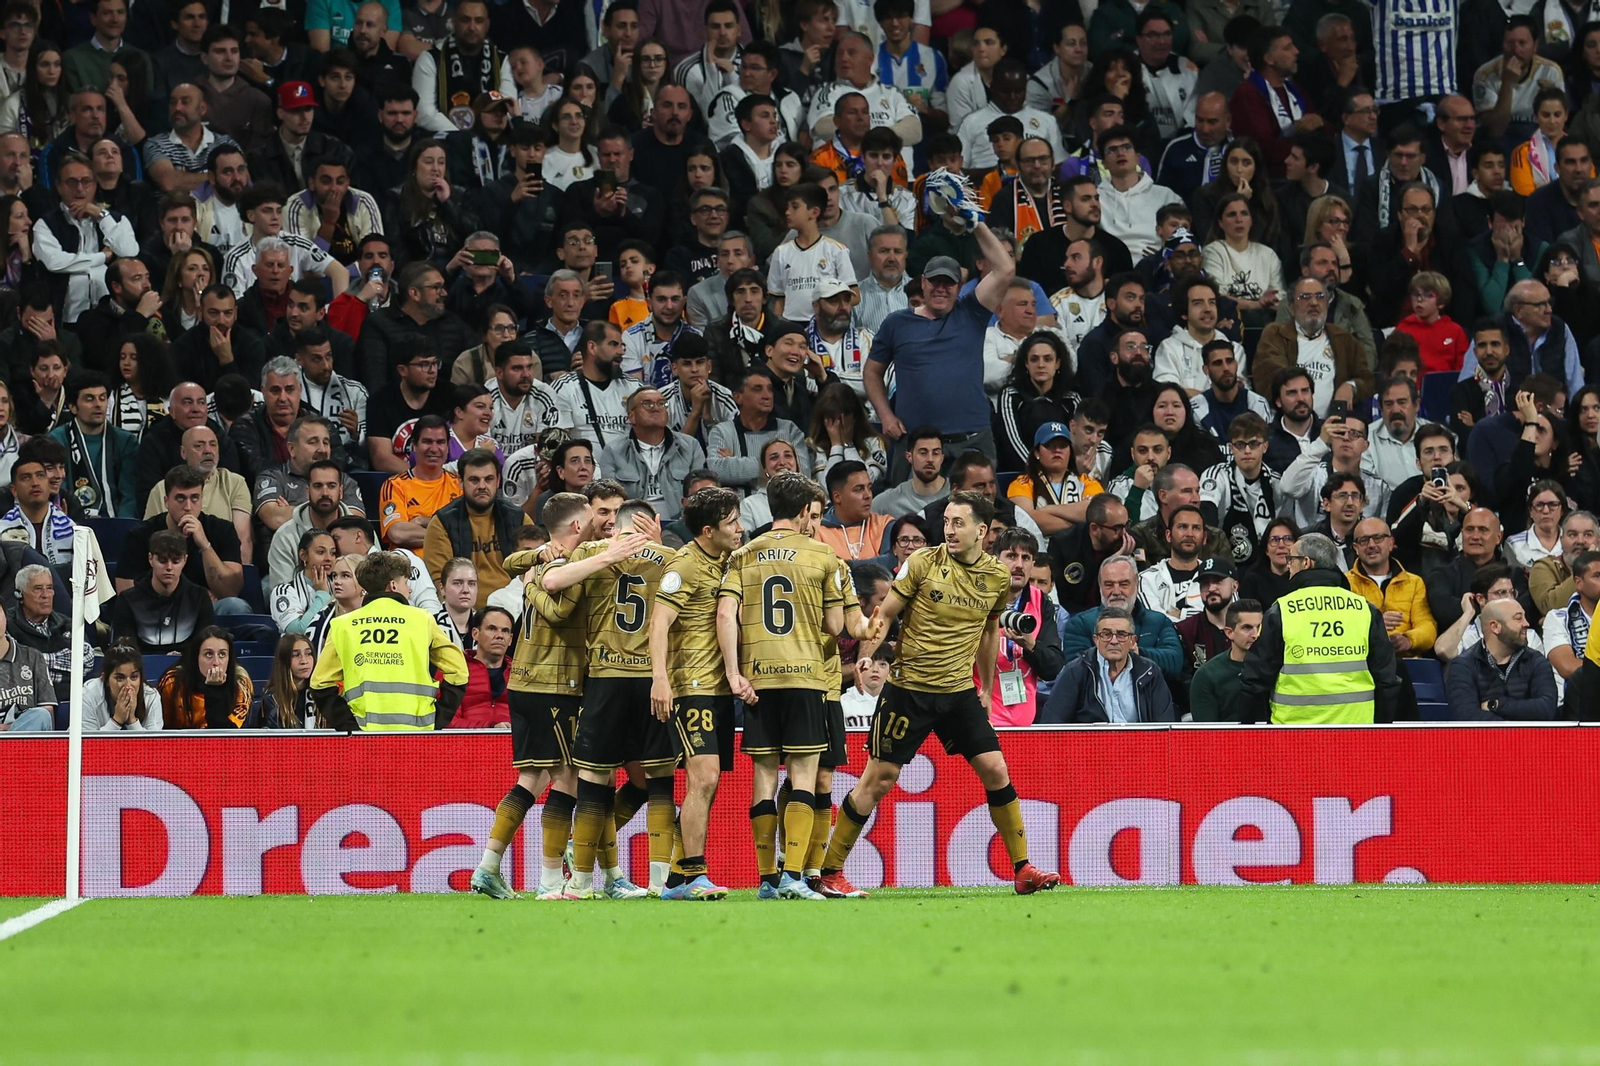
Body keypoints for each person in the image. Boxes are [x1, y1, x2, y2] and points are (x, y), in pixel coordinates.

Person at [818, 489, 1060, 898]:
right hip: (909, 690)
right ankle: (830, 872)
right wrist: (866, 653)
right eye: (947, 521)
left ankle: (1022, 868)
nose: (949, 529)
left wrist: (986, 688)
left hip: (958, 693)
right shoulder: (922, 563)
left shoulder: (996, 577)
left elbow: (989, 632)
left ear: (981, 531)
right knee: (879, 779)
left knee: (996, 770)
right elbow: (886, 613)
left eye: (958, 523)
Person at [643, 486, 742, 899]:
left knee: (708, 783)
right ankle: (696, 876)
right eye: (731, 523)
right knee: (704, 777)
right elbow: (659, 623)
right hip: (690, 687)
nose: (740, 528)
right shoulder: (684, 564)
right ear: (707, 530)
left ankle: (676, 880)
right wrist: (660, 679)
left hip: (718, 688)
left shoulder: (727, 561)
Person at [1239, 532, 1404, 723]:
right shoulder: (1364, 609)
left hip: (1293, 731)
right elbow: (1387, 679)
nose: (1288, 566)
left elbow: (1255, 679)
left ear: (1306, 563)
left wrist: (1248, 730)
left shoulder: (1282, 611)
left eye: (1291, 559)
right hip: (1356, 729)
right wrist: (1380, 730)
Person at [310, 550, 469, 731]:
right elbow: (459, 671)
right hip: (417, 734)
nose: (409, 589)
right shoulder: (422, 619)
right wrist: (437, 718)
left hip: (365, 735)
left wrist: (348, 725)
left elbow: (319, 684)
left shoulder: (342, 625)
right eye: (406, 582)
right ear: (393, 585)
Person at [116, 463, 246, 611]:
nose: (188, 507)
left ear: (202, 499)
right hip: (158, 610)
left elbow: (230, 591)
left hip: (208, 611)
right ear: (166, 501)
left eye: (195, 498)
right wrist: (189, 599)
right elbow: (126, 593)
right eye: (180, 498)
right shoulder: (139, 535)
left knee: (235, 606)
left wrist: (204, 545)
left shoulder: (223, 530)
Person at [421, 448, 531, 606]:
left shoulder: (518, 518)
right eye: (474, 480)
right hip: (465, 611)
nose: (482, 486)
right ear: (460, 482)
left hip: (515, 608)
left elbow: (534, 570)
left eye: (489, 479)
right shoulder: (442, 523)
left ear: (498, 481)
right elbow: (441, 581)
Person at [1038, 604, 1178, 724]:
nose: (1114, 641)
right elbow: (1052, 724)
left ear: (1132, 641)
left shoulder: (1150, 672)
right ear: (1096, 640)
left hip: (1139, 746)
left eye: (1121, 634)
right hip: (1090, 746)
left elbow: (1165, 726)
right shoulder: (1076, 672)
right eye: (1106, 634)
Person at [981, 528, 1064, 726]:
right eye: (1011, 556)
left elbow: (1053, 667)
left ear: (1032, 564)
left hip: (1024, 721)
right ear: (995, 560)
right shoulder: (977, 597)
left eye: (1026, 558)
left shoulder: (1041, 601)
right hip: (981, 717)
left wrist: (1031, 646)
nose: (1019, 564)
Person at [1446, 597, 1558, 720]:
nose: (1526, 623)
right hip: (1490, 735)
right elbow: (1468, 717)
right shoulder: (1463, 666)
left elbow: (1547, 709)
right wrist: (1514, 727)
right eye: (1518, 618)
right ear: (1495, 627)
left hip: (1526, 734)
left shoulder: (1537, 661)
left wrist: (1497, 705)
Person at [107, 528, 213, 653]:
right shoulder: (128, 600)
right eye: (162, 561)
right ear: (150, 559)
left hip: (187, 664)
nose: (169, 567)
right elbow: (125, 652)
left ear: (185, 560)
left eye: (176, 561)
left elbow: (204, 648)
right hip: (142, 664)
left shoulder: (199, 598)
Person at [1345, 516, 1436, 657]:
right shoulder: (1344, 583)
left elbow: (1427, 625)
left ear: (1391, 543)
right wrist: (1374, 623)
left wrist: (1408, 640)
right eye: (1364, 540)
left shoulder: (1414, 582)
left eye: (1378, 538)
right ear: (1356, 548)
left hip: (1406, 661)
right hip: (1362, 660)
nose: (1371, 545)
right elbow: (1340, 627)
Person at [156, 625, 252, 729]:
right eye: (208, 654)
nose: (216, 662)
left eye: (222, 654)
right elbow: (162, 729)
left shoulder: (241, 683)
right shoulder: (172, 681)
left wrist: (214, 691)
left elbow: (227, 733)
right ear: (196, 657)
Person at [447, 606, 514, 729]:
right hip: (468, 741)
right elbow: (448, 721)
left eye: (505, 631)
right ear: (475, 634)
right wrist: (490, 728)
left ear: (510, 639)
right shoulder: (455, 670)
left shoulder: (519, 675)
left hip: (513, 741)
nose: (500, 635)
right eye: (492, 629)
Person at [81, 642, 164, 731]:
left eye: (134, 677)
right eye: (120, 678)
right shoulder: (88, 695)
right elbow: (85, 739)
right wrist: (116, 721)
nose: (128, 686)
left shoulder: (151, 697)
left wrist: (132, 721)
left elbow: (153, 739)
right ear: (105, 679)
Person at [269, 528, 337, 633]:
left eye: (333, 553)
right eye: (321, 552)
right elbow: (297, 631)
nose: (329, 558)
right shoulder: (284, 592)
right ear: (303, 555)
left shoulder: (339, 588)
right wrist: (322, 594)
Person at [254, 633, 317, 729]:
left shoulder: (322, 694)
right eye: (296, 655)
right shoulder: (272, 699)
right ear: (284, 660)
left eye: (308, 653)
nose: (304, 661)